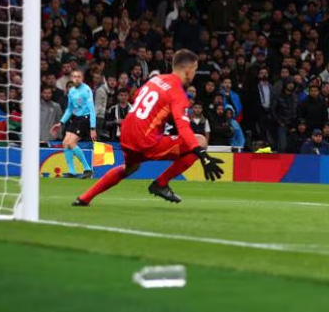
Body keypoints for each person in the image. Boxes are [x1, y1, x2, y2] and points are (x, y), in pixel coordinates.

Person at [72, 50, 224, 206]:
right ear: (188, 70)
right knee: (200, 141)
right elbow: (183, 127)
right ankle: (161, 183)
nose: (194, 74)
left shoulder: (156, 79)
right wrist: (202, 155)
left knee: (129, 169)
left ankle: (84, 198)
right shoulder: (177, 93)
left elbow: (137, 96)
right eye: (195, 70)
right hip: (145, 140)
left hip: (126, 134)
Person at [50, 70, 96, 179]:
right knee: (65, 143)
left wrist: (92, 128)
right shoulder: (71, 91)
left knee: (71, 143)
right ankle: (72, 171)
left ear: (82, 78)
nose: (77, 78)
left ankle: (88, 169)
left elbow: (92, 109)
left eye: (79, 76)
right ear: (71, 78)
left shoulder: (86, 90)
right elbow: (70, 109)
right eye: (74, 76)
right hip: (75, 118)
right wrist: (61, 123)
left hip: (85, 118)